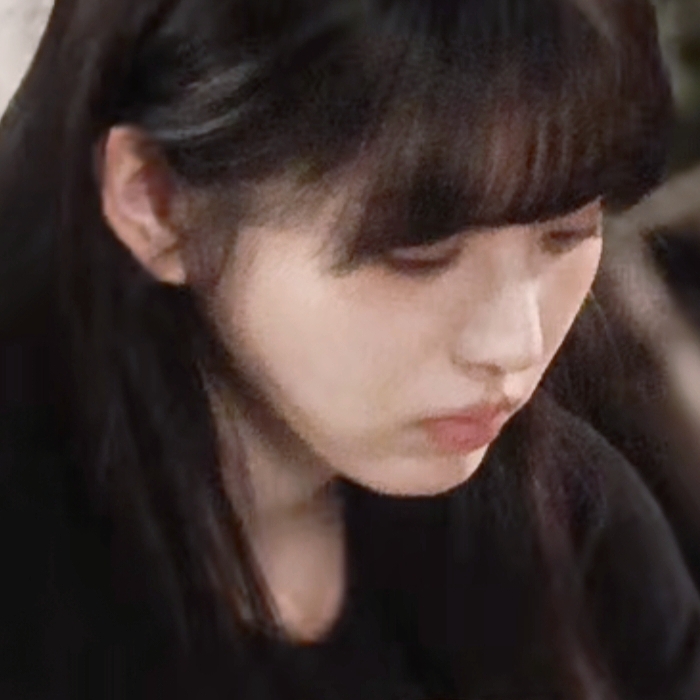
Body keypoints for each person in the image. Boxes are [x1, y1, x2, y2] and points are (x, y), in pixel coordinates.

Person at [0, 0, 697, 698]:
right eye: (421, 257)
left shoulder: (571, 526)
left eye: (568, 233)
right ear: (157, 202)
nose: (516, 345)